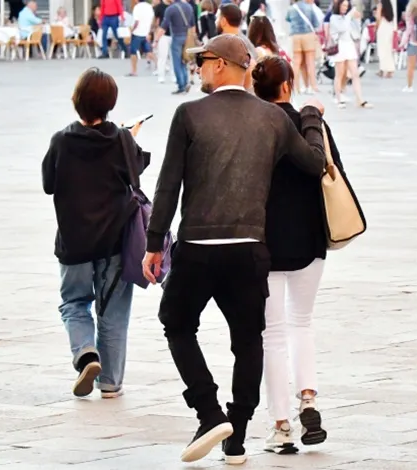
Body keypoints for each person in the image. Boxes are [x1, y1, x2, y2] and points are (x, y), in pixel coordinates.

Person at [142, 34, 326, 465]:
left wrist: (154, 244)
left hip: (198, 245)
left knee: (177, 324)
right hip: (249, 250)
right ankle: (237, 436)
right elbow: (314, 165)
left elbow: (169, 184)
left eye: (202, 61)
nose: (199, 68)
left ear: (222, 65)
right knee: (248, 341)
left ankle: (208, 412)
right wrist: (313, 118)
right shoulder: (274, 120)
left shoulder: (189, 114)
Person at [42, 68, 151, 400]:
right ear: (110, 104)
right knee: (114, 312)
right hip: (115, 243)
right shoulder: (121, 140)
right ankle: (110, 383)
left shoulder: (61, 141)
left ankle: (85, 351)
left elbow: (49, 184)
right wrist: (130, 135)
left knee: (74, 303)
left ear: (77, 102)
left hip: (74, 242)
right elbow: (137, 175)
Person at [252, 54, 340, 455]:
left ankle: (281, 424)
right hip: (308, 239)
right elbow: (330, 172)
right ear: (287, 86)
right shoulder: (311, 124)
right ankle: (308, 397)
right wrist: (312, 116)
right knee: (302, 322)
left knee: (272, 335)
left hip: (265, 240)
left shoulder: (253, 126)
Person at [331, 0, 371, 107]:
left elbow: (356, 32)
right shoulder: (334, 18)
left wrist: (357, 19)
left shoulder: (348, 17)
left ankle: (360, 99)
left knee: (355, 73)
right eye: (343, 5)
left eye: (346, 6)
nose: (345, 8)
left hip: (349, 45)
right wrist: (350, 15)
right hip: (339, 46)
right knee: (339, 74)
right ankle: (339, 98)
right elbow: (342, 28)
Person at [154, 0, 195, 94]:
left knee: (176, 62)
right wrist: (193, 38)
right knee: (184, 61)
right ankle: (185, 82)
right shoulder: (189, 7)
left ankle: (181, 85)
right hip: (187, 37)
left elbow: (164, 26)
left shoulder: (170, 9)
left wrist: (156, 40)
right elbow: (193, 25)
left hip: (177, 36)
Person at [217, 4, 257, 89]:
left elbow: (250, 68)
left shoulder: (233, 43)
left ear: (223, 21)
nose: (216, 21)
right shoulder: (244, 41)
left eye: (218, 18)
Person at [286, 0, 319, 94]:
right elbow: (316, 23)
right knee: (310, 62)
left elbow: (287, 19)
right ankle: (313, 86)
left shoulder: (291, 8)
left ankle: (296, 87)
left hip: (295, 36)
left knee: (296, 63)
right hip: (308, 35)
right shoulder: (309, 7)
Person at [128, 0, 155, 76]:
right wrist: (150, 30)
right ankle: (159, 64)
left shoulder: (137, 7)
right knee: (148, 51)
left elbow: (136, 21)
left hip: (137, 32)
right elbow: (152, 19)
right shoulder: (149, 6)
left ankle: (134, 70)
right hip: (146, 31)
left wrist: (132, 29)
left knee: (133, 51)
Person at [154, 0, 174, 83]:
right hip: (163, 35)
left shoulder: (174, 6)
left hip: (174, 34)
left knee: (174, 58)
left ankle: (174, 76)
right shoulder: (159, 7)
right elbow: (156, 21)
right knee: (162, 56)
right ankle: (161, 76)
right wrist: (156, 35)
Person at [375, 0, 395, 78]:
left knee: (382, 49)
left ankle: (383, 69)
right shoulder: (389, 5)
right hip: (389, 26)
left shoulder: (380, 4)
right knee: (388, 49)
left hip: (382, 26)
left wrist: (376, 27)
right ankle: (389, 69)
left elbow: (378, 17)